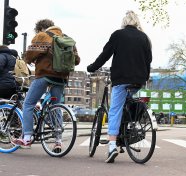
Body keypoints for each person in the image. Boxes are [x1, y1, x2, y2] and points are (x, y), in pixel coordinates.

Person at [87, 10, 152, 163]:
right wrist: (144, 78)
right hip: (139, 80)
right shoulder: (144, 38)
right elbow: (148, 60)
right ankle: (126, 133)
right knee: (127, 103)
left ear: (124, 22)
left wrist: (92, 67)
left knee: (115, 110)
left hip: (121, 79)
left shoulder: (118, 34)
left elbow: (105, 54)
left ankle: (111, 146)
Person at [12, 19, 80, 153]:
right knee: (56, 107)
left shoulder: (42, 36)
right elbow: (77, 60)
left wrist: (28, 59)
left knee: (28, 104)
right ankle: (58, 141)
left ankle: (27, 137)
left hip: (45, 75)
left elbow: (30, 54)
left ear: (41, 28)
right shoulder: (67, 39)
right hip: (61, 78)